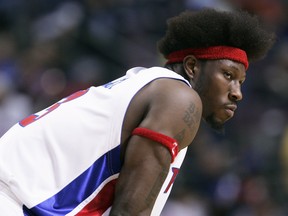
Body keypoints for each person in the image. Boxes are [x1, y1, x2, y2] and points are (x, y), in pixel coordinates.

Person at [0, 8, 275, 215]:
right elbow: (130, 212)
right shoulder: (179, 98)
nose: (237, 92)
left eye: (241, 82)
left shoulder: (148, 85)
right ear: (192, 67)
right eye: (228, 75)